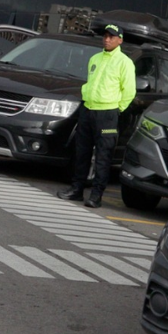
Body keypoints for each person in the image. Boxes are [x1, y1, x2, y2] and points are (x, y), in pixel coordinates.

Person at [56, 24, 136, 208]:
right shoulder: (95, 58)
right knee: (81, 152)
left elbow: (129, 91)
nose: (107, 39)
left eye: (112, 36)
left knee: (103, 156)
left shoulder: (125, 62)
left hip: (107, 114)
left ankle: (96, 196)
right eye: (105, 36)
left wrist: (116, 110)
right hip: (88, 109)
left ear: (120, 40)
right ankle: (76, 190)